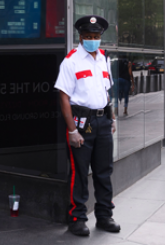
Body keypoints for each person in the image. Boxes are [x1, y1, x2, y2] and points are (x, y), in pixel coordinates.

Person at [55, 15, 121, 236]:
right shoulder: (71, 61)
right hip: (82, 123)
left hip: (103, 121)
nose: (92, 40)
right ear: (80, 37)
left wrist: (111, 118)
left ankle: (104, 216)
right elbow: (64, 97)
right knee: (80, 172)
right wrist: (72, 130)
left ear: (100, 37)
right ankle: (77, 218)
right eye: (88, 36)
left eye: (96, 36)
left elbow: (106, 91)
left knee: (104, 171)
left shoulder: (103, 58)